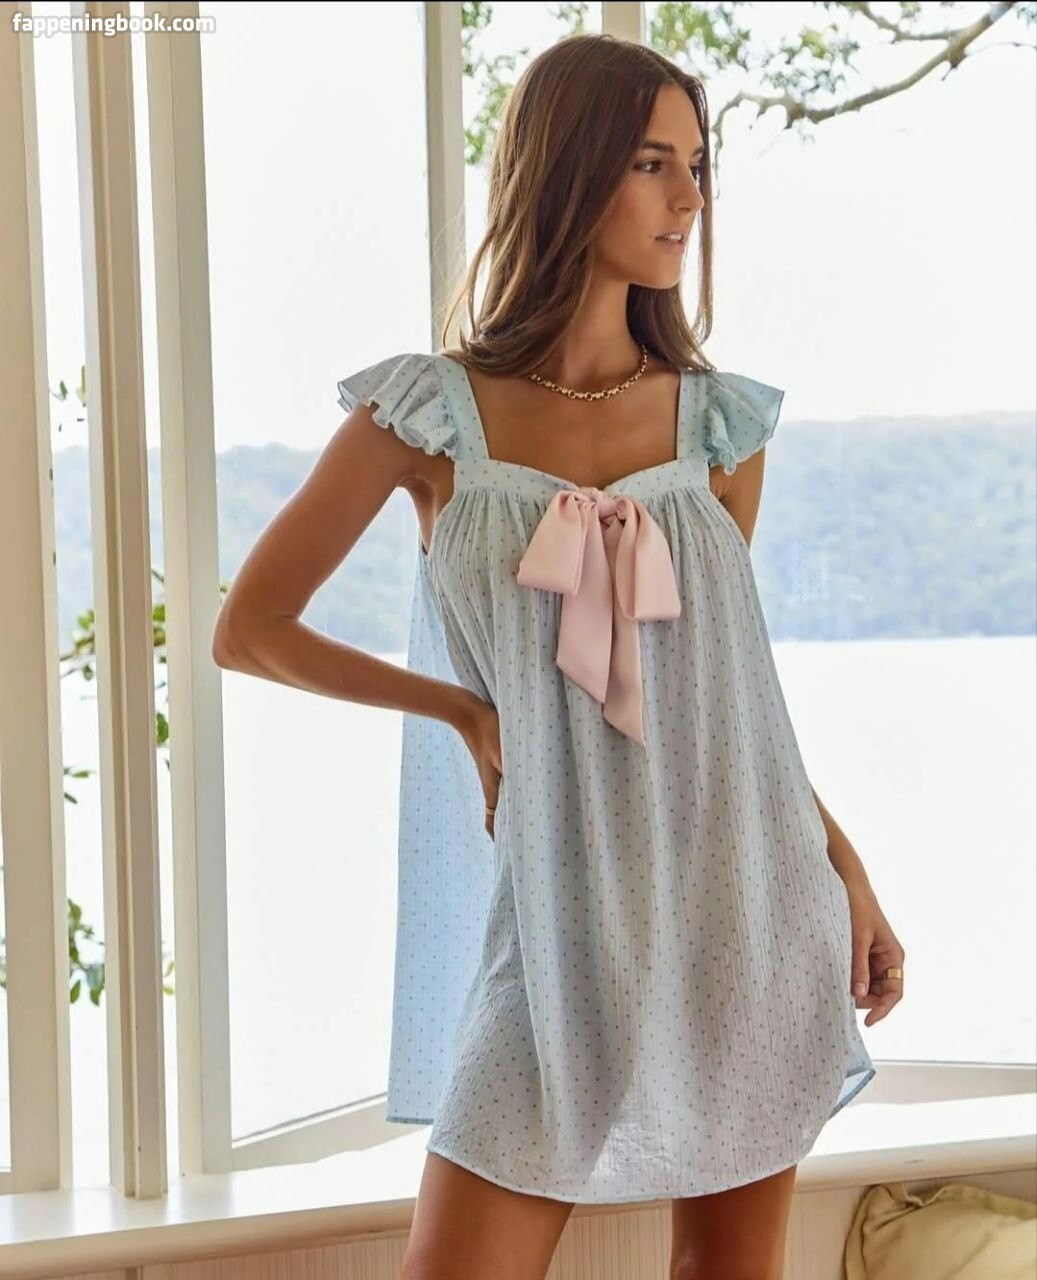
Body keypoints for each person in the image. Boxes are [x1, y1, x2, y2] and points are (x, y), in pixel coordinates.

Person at [212, 31, 906, 1280]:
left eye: (696, 165)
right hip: (550, 933)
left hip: (743, 909)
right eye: (651, 163)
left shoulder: (717, 427)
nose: (688, 197)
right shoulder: (426, 416)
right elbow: (250, 628)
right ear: (568, 172)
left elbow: (726, 707)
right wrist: (462, 711)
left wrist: (842, 867)